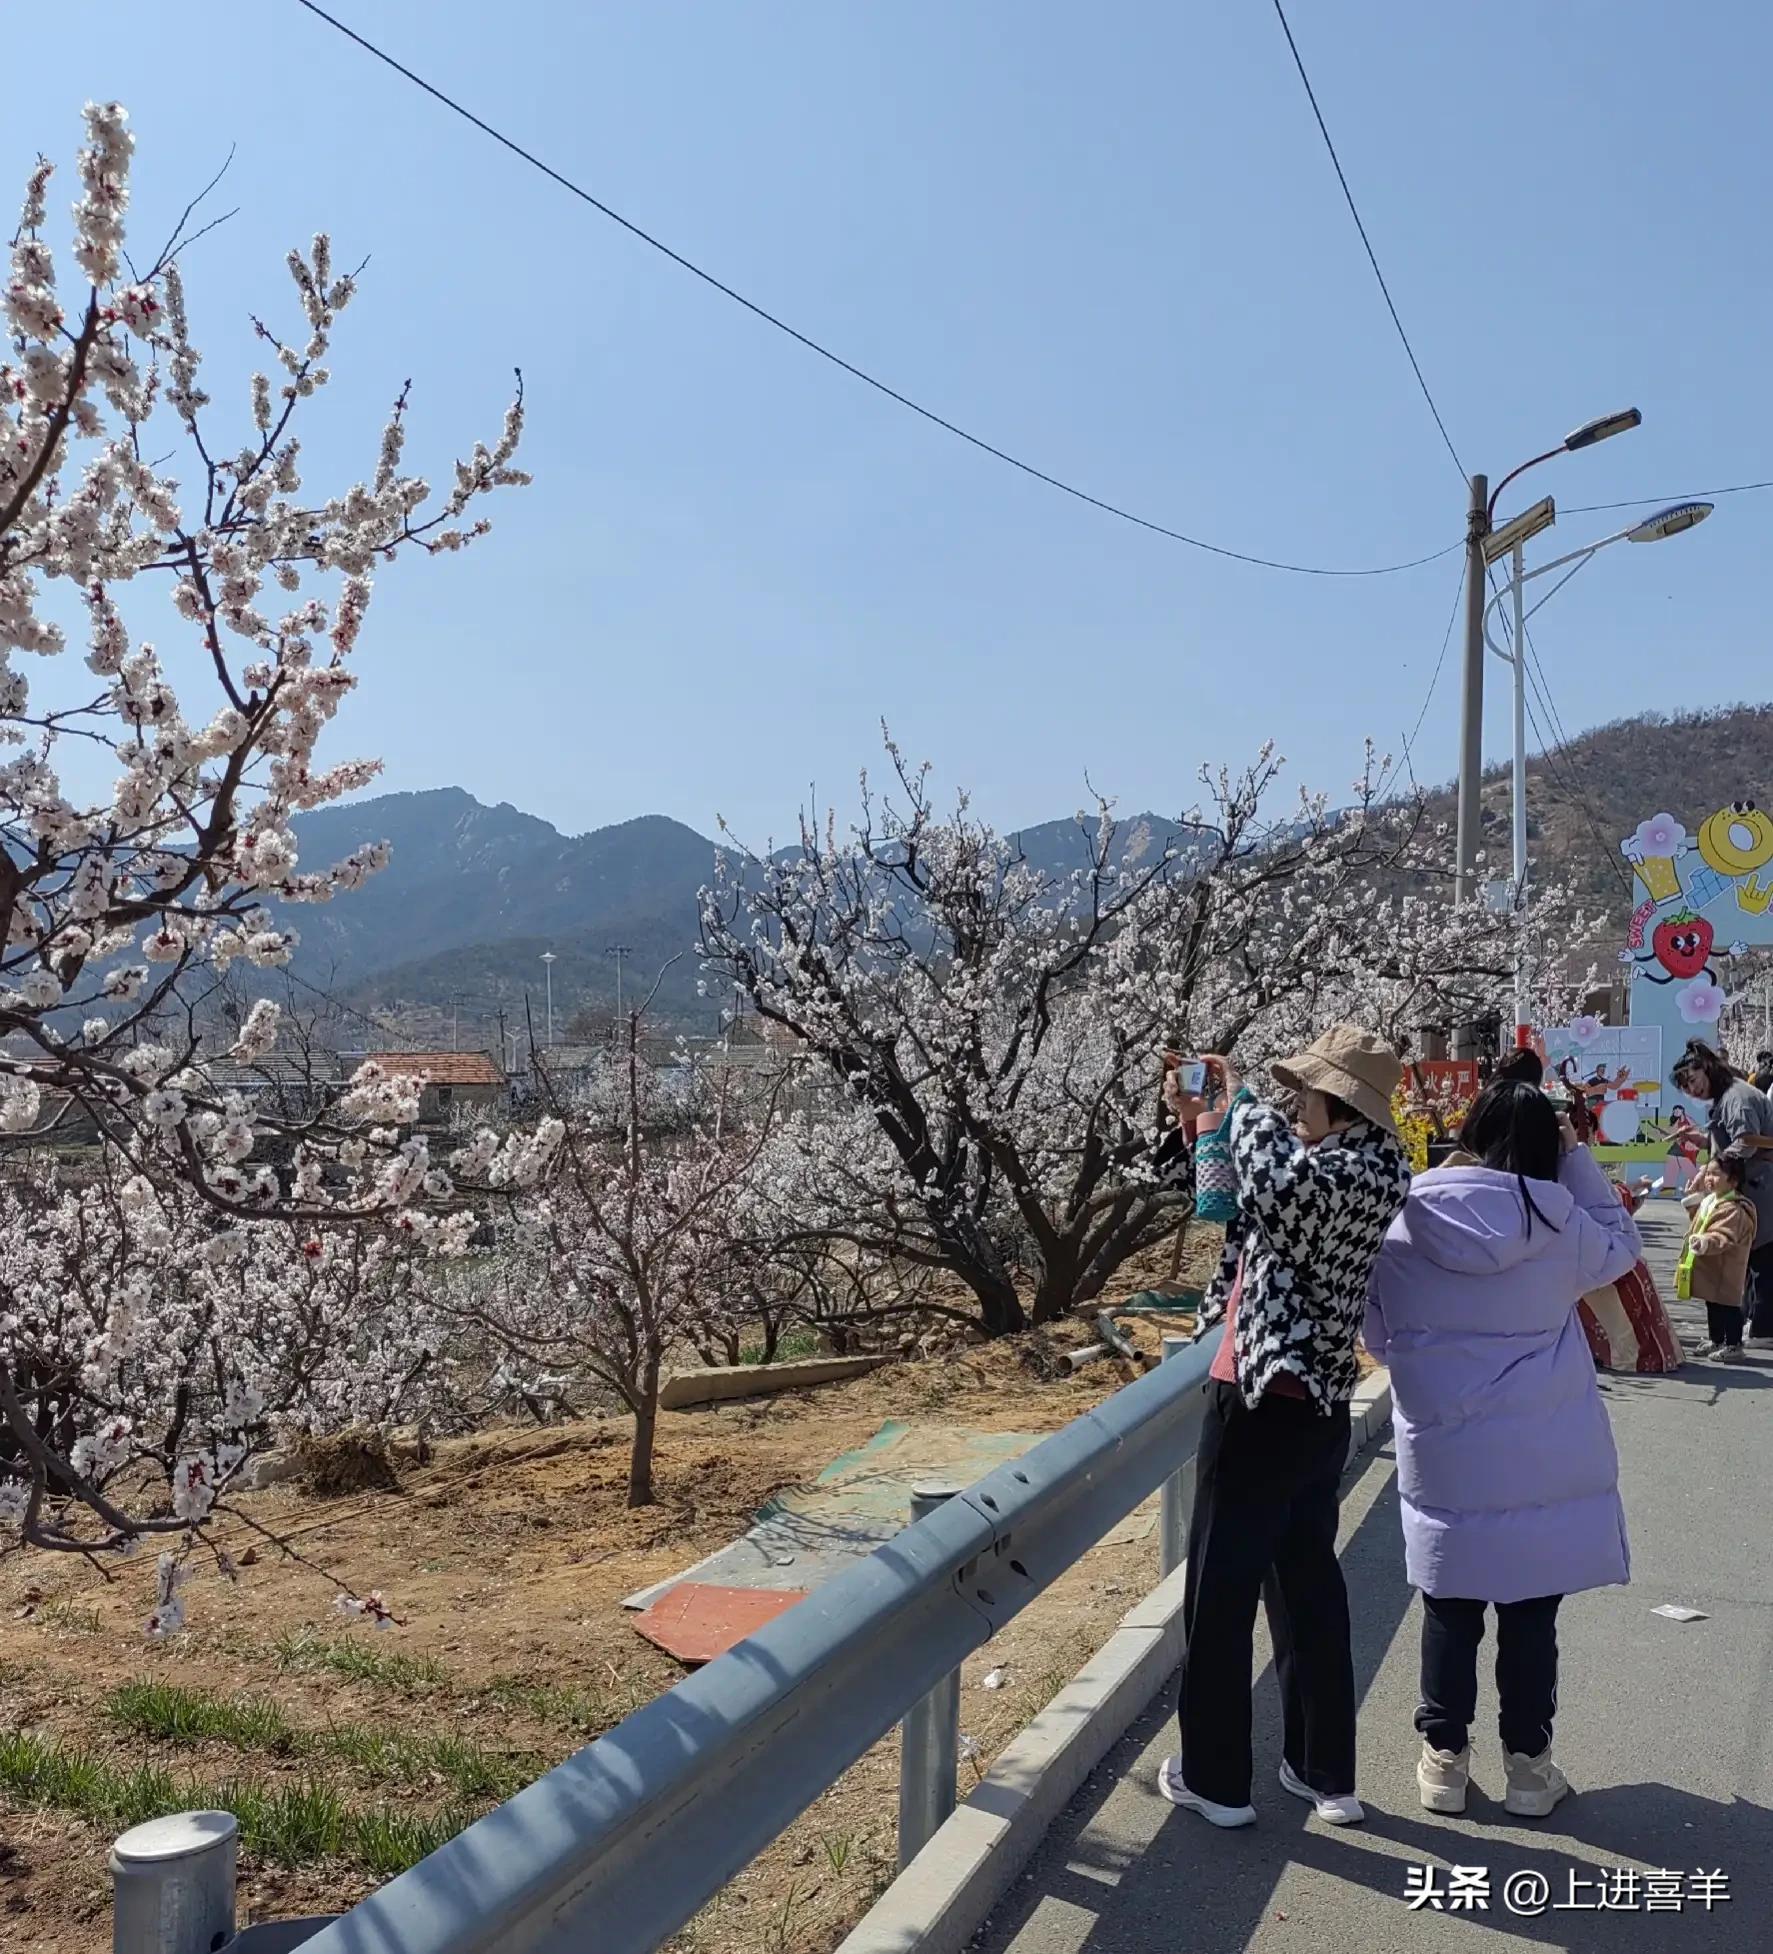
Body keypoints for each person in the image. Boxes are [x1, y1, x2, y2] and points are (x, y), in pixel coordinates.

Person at [1365, 1080, 1639, 1820]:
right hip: (1540, 1447)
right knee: (1528, 1615)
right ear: (1549, 1144)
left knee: (1448, 1606)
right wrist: (1578, 1163)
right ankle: (1528, 1768)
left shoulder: (1403, 1217)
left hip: (1444, 1447)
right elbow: (1622, 1250)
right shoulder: (1558, 1221)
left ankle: (1441, 1763)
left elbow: (1377, 1337)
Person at [1158, 1027, 1410, 1831]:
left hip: (1260, 1399)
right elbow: (1223, 1200)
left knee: (1219, 1593)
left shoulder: (1325, 1176)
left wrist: (1232, 1099)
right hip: (1320, 1408)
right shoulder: (1379, 1166)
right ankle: (1322, 1769)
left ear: (1336, 1107)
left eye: (1304, 1094)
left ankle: (1216, 1780)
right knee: (1307, 1587)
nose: (1292, 1104)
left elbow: (1276, 1180)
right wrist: (1200, 1120)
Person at [1671, 1041, 1773, 1345]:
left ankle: (1763, 1329)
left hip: (1759, 1188)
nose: (1692, 1090)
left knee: (1761, 1259)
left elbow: (1747, 1142)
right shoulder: (1729, 1096)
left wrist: (1711, 1168)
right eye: (1686, 1088)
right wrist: (1704, 1140)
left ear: (1708, 1068)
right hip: (1749, 1187)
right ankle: (1755, 1326)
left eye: (1693, 1080)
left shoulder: (1737, 1097)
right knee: (1750, 1258)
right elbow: (1735, 1140)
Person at [1677, 1147, 1758, 1362]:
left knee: (1728, 1305)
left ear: (1732, 1181)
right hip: (1712, 1266)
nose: (1709, 1178)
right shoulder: (1712, 1200)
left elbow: (1723, 1234)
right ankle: (1717, 1339)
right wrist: (1693, 1203)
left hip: (1726, 1267)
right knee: (1712, 1303)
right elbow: (1702, 1223)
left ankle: (1734, 1344)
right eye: (1708, 1173)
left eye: (1716, 1174)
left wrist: (1705, 1242)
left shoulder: (1733, 1208)